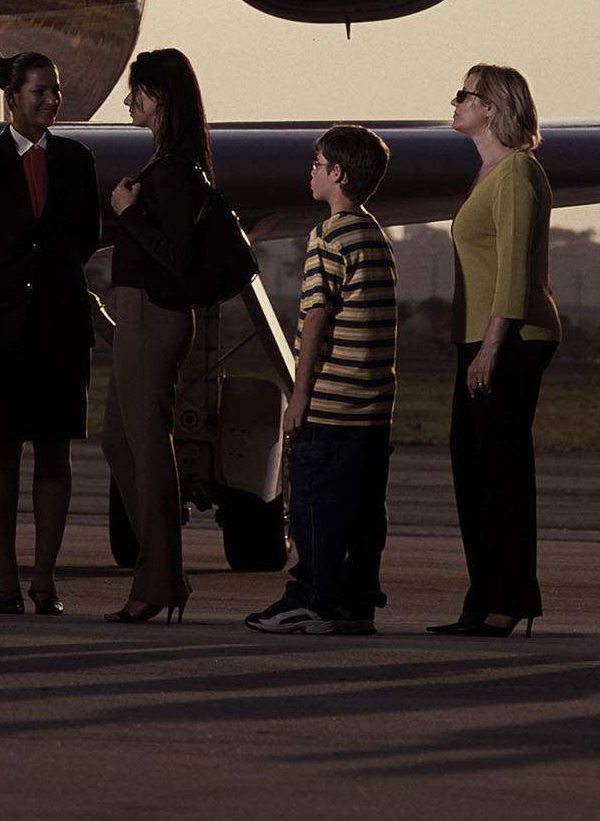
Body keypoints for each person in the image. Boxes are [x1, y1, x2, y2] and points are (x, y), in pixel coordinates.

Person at [0, 51, 102, 614]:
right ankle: (5, 578)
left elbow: (86, 238)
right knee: (3, 448)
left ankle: (44, 580)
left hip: (61, 327)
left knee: (55, 451)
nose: (50, 101)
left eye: (55, 91)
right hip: (2, 329)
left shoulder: (77, 160)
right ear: (11, 97)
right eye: (39, 92)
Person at [249, 124, 398, 637]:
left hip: (331, 408)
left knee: (314, 508)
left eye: (316, 164)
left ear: (337, 173)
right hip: (373, 409)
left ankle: (310, 598)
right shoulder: (375, 235)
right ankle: (356, 604)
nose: (309, 172)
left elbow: (317, 317)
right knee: (362, 514)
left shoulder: (329, 235)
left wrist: (299, 395)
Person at [432, 63, 559, 637]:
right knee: (471, 470)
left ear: (493, 107)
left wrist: (489, 349)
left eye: (466, 94)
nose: (455, 101)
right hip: (480, 338)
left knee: (501, 473)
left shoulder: (517, 173)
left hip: (510, 338)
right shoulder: (488, 172)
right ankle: (483, 596)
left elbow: (513, 273)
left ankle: (509, 599)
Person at [100, 47, 212, 623]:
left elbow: (175, 256)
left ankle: (160, 582)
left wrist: (127, 212)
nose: (127, 100)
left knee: (147, 449)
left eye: (136, 91)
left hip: (152, 315)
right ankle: (161, 573)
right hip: (139, 314)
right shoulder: (167, 163)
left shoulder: (171, 171)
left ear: (161, 98)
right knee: (120, 443)